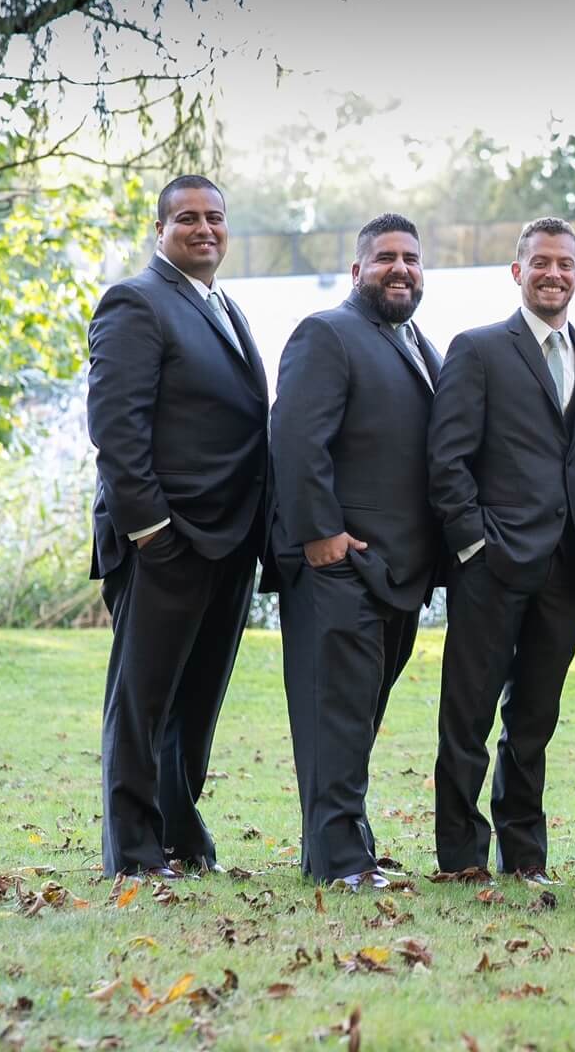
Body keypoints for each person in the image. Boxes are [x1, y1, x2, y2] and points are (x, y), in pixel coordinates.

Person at [87, 175, 270, 879]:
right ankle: (132, 852)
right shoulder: (136, 302)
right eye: (187, 218)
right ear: (158, 230)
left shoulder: (221, 306)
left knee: (195, 707)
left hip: (228, 541)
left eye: (215, 217)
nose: (204, 229)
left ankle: (178, 833)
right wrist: (150, 532)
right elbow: (116, 431)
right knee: (143, 703)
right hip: (167, 543)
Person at [428, 217, 575, 884]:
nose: (553, 274)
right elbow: (446, 459)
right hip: (492, 566)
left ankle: (525, 854)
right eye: (540, 262)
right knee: (468, 717)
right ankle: (459, 855)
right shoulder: (478, 349)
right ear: (518, 271)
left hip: (567, 572)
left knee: (534, 721)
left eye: (564, 263)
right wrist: (474, 544)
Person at [268, 214, 444, 891]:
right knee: (334, 718)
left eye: (411, 259)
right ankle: (343, 863)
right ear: (357, 271)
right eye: (384, 258)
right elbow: (296, 438)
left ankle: (339, 847)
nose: (399, 269)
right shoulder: (327, 333)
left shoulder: (418, 344)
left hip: (396, 572)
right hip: (336, 566)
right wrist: (320, 534)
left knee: (354, 721)